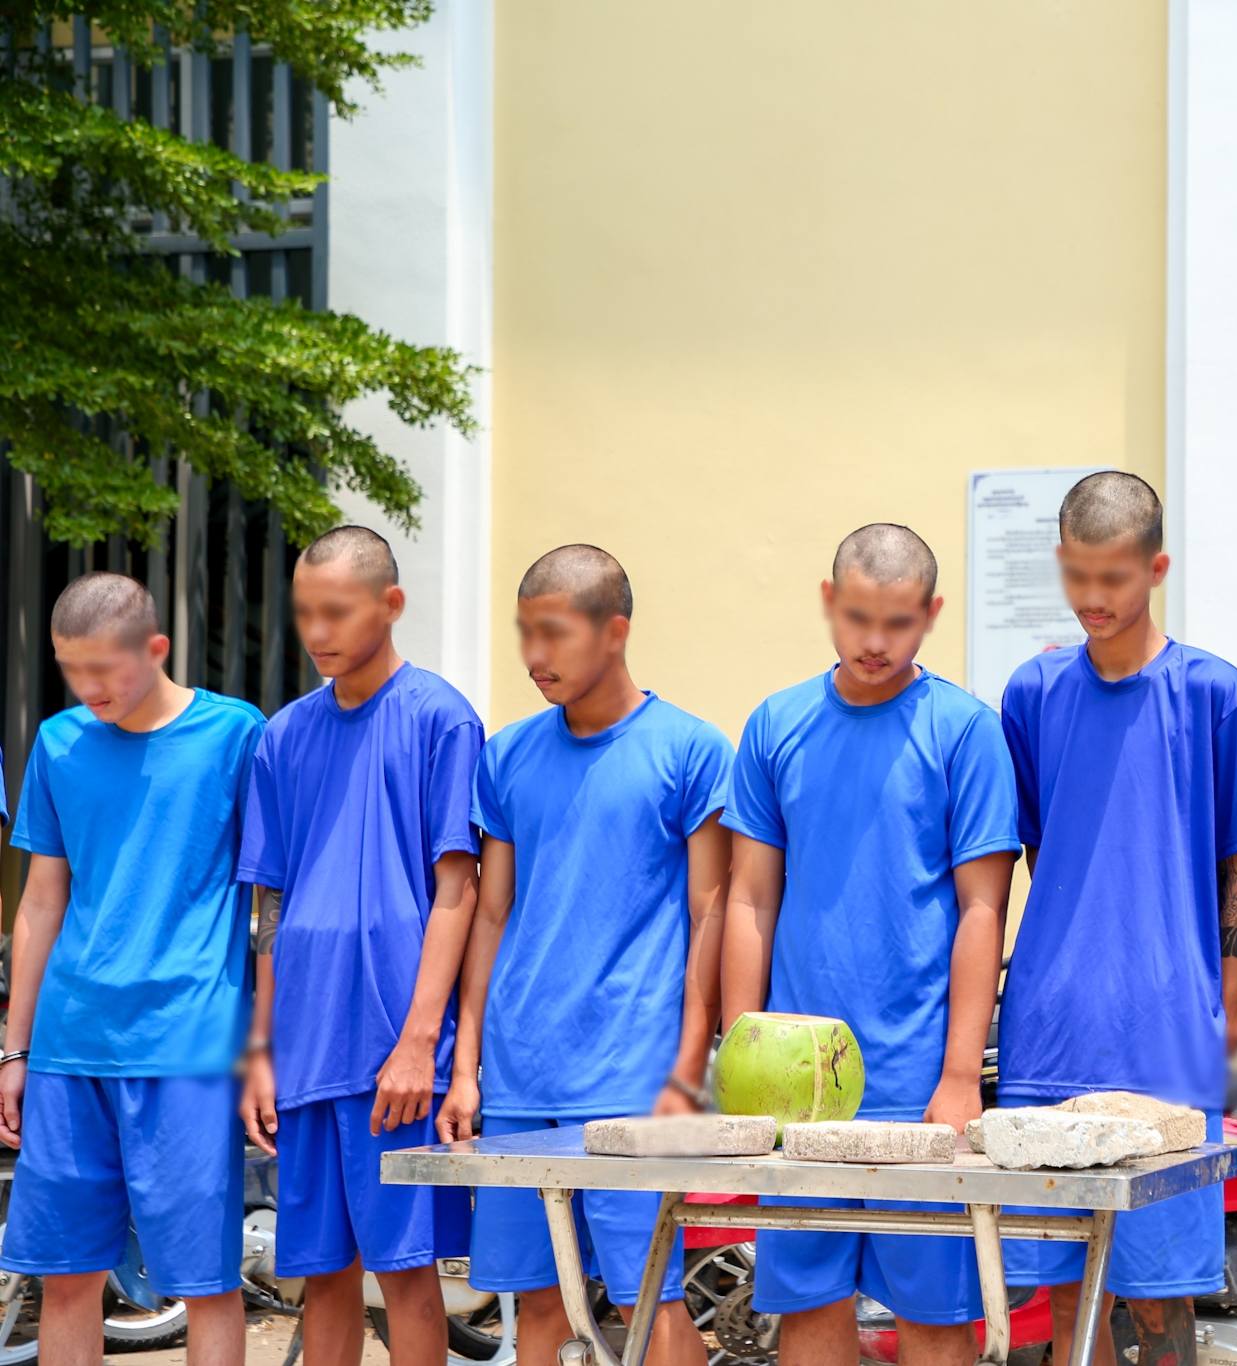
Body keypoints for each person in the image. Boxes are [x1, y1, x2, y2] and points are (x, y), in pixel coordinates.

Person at [722, 523, 1019, 1366]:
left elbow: (983, 909)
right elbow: (749, 897)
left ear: (931, 613)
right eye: (857, 618)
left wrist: (958, 1076)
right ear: (829, 602)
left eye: (898, 622)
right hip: (795, 1091)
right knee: (810, 1311)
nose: (875, 641)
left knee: (933, 1322)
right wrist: (741, 1051)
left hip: (918, 1084)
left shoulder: (965, 730)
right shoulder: (776, 724)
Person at [996, 471, 1237, 1365]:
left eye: (1112, 576)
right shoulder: (1031, 692)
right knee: (1067, 1298)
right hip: (1050, 1028)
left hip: (1171, 1033)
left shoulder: (1215, 693)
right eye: (1077, 574)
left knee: (1161, 1296)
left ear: (1156, 568)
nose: (1093, 597)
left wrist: (1221, 1011)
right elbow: (1040, 847)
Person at [447, 545, 730, 1366]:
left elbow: (711, 913)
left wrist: (688, 1067)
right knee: (537, 1302)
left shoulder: (690, 749)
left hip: (633, 1078)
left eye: (556, 634)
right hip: (518, 1074)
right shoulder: (507, 754)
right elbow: (490, 913)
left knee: (650, 1297)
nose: (535, 656)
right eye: (526, 634)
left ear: (615, 631)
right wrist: (467, 1067)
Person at [1, 573, 263, 1366]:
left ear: (155, 649)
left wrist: (264, 1045)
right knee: (66, 1278)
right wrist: (15, 1050)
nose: (88, 688)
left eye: (103, 668)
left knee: (206, 1281)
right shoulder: (59, 743)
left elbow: (273, 898)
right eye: (70, 669)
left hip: (189, 1044)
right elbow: (41, 901)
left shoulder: (235, 735)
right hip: (70, 1046)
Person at [238, 527, 482, 1366]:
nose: (317, 632)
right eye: (305, 612)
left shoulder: (442, 719)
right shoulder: (282, 736)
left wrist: (420, 1041)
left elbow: (459, 888)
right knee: (321, 1276)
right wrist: (263, 1050)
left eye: (336, 612)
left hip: (393, 1049)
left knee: (406, 1275)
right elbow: (270, 903)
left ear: (391, 604)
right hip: (305, 1046)